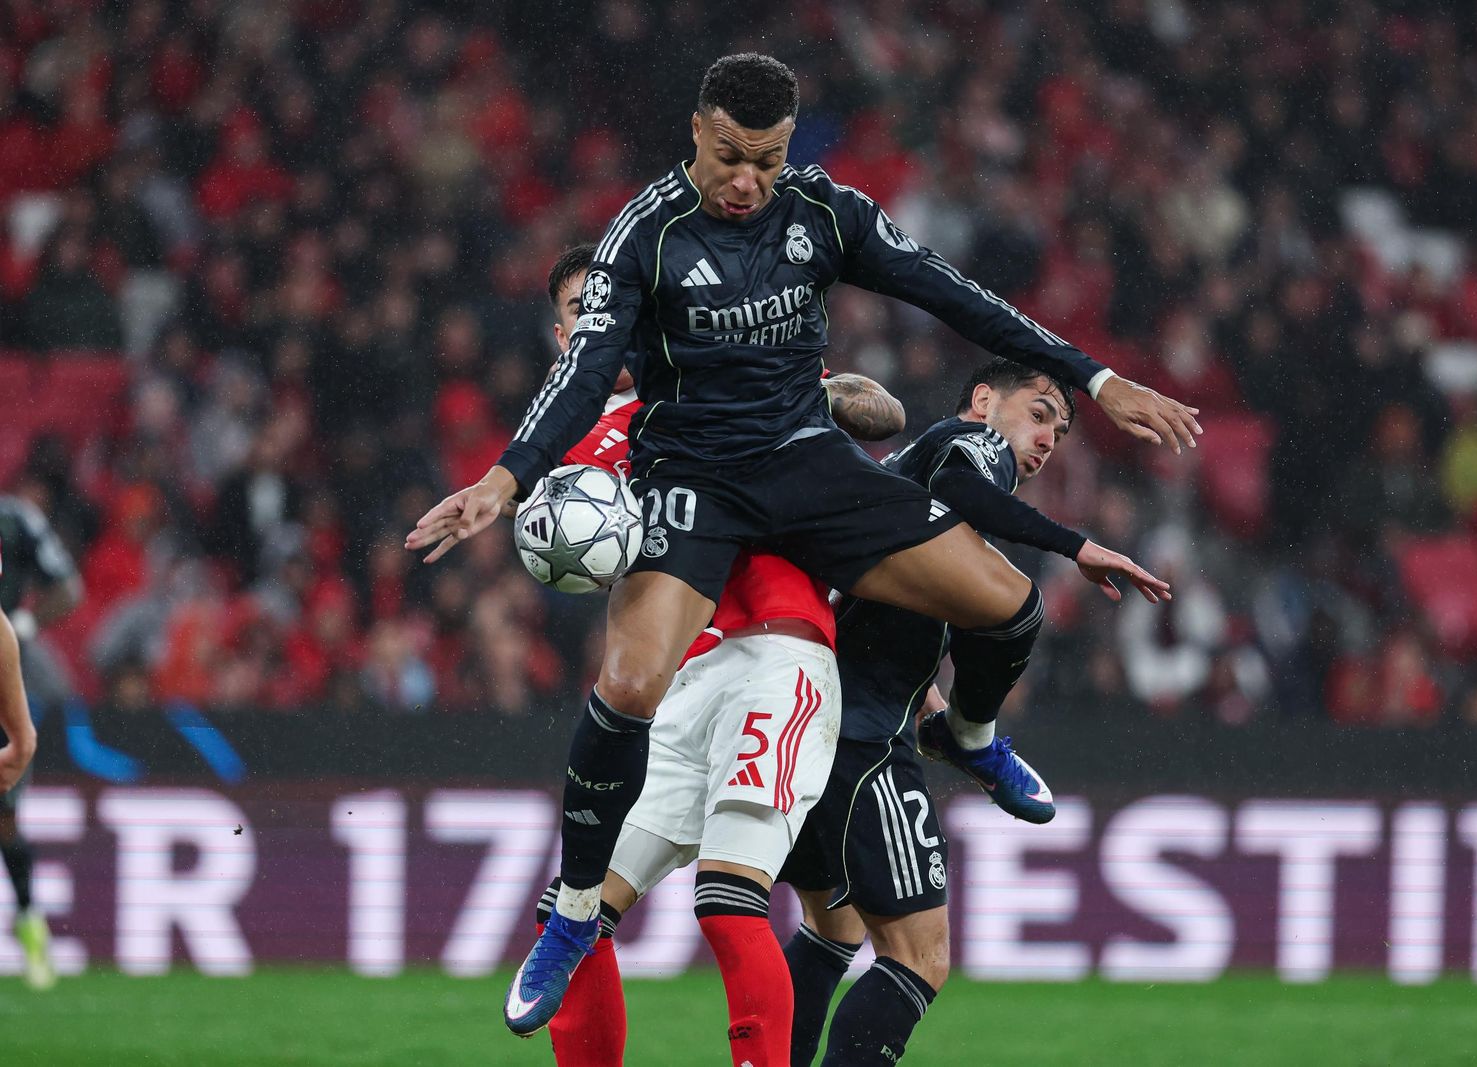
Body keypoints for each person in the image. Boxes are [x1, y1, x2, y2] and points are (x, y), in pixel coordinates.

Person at [407, 53, 1195, 1034]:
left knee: (1009, 605)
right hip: (695, 477)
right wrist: (504, 478)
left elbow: (955, 295)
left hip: (806, 465)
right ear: (697, 133)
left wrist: (1098, 378)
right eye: (731, 157)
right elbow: (585, 369)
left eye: (768, 160)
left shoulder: (821, 212)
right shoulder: (644, 237)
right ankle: (572, 912)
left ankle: (966, 734)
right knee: (630, 683)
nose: (748, 181)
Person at [516, 244, 901, 1067]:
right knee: (570, 912)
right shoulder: (573, 454)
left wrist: (816, 393)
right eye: (585, 311)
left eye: (616, 304)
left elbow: (885, 415)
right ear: (564, 338)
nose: (605, 321)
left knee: (727, 900)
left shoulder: (727, 380)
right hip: (677, 689)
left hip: (778, 657)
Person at [781, 358, 1158, 1065]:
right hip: (860, 741)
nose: (1046, 440)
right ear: (983, 400)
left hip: (803, 717)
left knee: (834, 927)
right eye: (1038, 415)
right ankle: (969, 736)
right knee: (919, 958)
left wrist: (924, 698)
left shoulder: (909, 477)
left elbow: (877, 626)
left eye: (1060, 433)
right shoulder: (970, 445)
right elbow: (963, 485)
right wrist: (1075, 546)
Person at [0, 494, 80, 990]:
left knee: (5, 815)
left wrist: (25, 624)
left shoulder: (15, 522)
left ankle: (30, 918)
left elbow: (68, 588)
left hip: (3, 677)